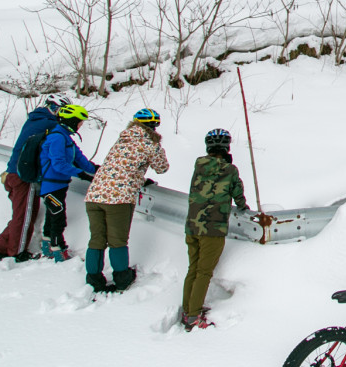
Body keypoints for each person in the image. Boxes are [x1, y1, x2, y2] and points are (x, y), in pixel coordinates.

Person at [83, 108, 170, 293]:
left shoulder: (122, 138)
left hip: (94, 195)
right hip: (118, 198)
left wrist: (138, 175)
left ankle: (93, 278)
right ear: (154, 126)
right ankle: (122, 277)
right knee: (117, 241)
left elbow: (122, 165)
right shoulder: (149, 143)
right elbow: (162, 167)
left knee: (96, 239)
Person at [181, 128, 249, 331]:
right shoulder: (229, 170)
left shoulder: (198, 165)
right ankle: (193, 316)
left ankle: (188, 308)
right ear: (226, 147)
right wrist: (243, 206)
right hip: (213, 227)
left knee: (193, 268)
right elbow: (237, 192)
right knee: (204, 272)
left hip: (192, 226)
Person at [0, 94, 67, 262]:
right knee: (24, 217)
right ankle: (17, 252)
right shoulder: (49, 124)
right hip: (24, 176)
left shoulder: (34, 120)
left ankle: (1, 247)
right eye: (60, 110)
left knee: (20, 214)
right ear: (55, 109)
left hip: (12, 173)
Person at [38, 104, 98, 262]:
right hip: (50, 186)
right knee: (58, 218)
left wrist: (95, 169)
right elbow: (59, 164)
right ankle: (59, 250)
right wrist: (82, 174)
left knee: (52, 217)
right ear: (71, 121)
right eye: (79, 122)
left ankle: (47, 247)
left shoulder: (65, 137)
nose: (80, 126)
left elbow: (79, 158)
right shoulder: (57, 137)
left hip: (59, 185)